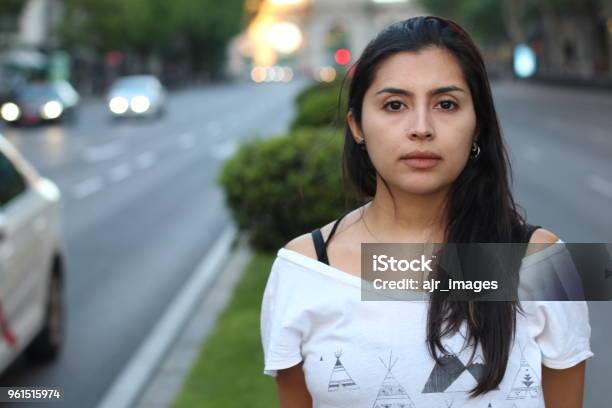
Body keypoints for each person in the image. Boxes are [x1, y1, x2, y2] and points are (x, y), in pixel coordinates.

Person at [260, 16, 593, 408]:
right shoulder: (305, 268)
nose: (421, 127)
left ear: (477, 125)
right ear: (357, 125)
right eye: (395, 105)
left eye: (446, 104)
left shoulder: (541, 261)